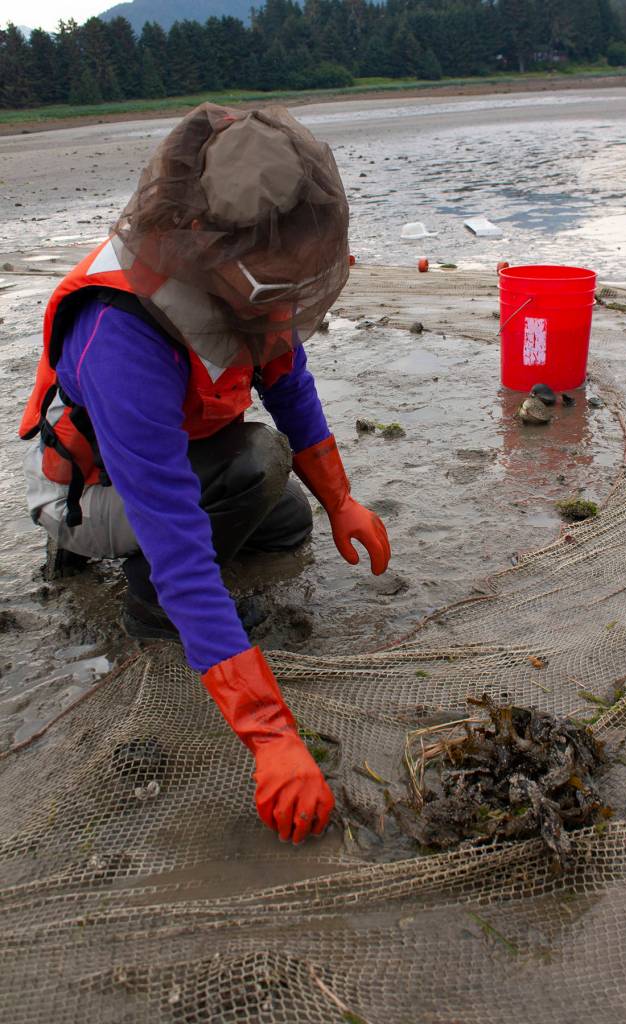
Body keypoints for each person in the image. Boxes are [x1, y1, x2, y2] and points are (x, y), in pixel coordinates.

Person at [19, 103, 391, 845]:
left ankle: (198, 576)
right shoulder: (121, 333)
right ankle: (149, 609)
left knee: (284, 514)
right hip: (88, 499)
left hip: (177, 463)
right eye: (276, 285)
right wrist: (268, 733)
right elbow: (179, 539)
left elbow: (288, 384)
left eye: (302, 281)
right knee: (253, 468)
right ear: (206, 245)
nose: (289, 302)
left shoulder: (253, 286)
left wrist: (342, 500)